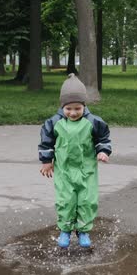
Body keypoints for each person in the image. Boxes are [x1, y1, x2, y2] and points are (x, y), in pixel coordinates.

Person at [38, 73, 112, 249]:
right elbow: (46, 141)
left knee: (87, 200)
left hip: (87, 170)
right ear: (62, 106)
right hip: (64, 171)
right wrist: (47, 161)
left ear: (84, 105)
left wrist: (103, 151)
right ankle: (65, 229)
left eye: (77, 108)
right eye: (68, 108)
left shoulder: (93, 122)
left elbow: (103, 138)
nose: (73, 113)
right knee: (66, 200)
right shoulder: (54, 122)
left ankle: (83, 230)